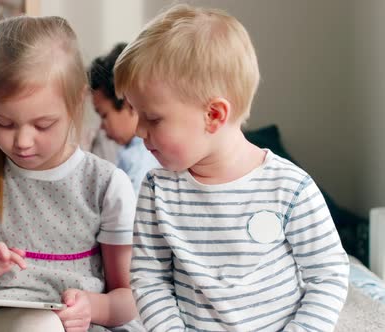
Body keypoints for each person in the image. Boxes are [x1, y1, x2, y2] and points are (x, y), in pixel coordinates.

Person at [114, 4, 349, 331]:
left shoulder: (290, 187)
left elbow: (328, 274)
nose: (139, 131)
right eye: (136, 115)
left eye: (152, 118)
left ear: (214, 116)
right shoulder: (158, 189)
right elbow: (150, 278)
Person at [0, 16, 141, 332]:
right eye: (4, 123)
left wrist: (92, 307)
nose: (22, 142)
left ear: (77, 100)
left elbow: (127, 297)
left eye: (42, 125)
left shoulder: (106, 185)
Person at [89, 43, 160, 194]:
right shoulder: (130, 152)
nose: (102, 127)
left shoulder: (141, 156)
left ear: (129, 104)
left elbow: (129, 213)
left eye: (104, 115)